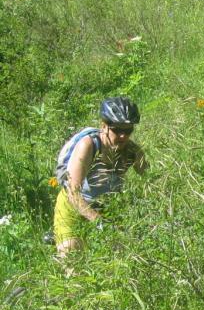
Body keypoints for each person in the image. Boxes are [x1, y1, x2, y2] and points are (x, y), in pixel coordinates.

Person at [53, 97, 148, 256]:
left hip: (107, 209)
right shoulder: (88, 146)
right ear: (104, 126)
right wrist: (98, 222)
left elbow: (153, 180)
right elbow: (72, 193)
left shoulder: (133, 151)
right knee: (72, 256)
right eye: (117, 130)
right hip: (73, 207)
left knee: (119, 261)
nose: (123, 136)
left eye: (128, 130)